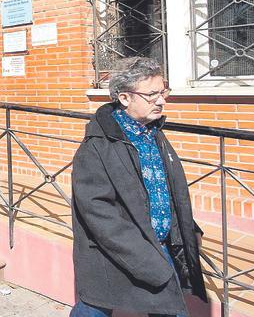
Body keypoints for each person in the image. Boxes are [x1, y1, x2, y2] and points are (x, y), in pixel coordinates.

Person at [70, 57, 207, 317]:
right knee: (95, 307)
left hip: (158, 245)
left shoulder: (153, 133)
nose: (161, 100)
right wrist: (144, 258)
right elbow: (97, 211)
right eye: (152, 94)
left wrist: (188, 228)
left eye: (163, 91)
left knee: (167, 308)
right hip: (121, 251)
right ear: (124, 98)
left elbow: (166, 188)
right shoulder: (98, 145)